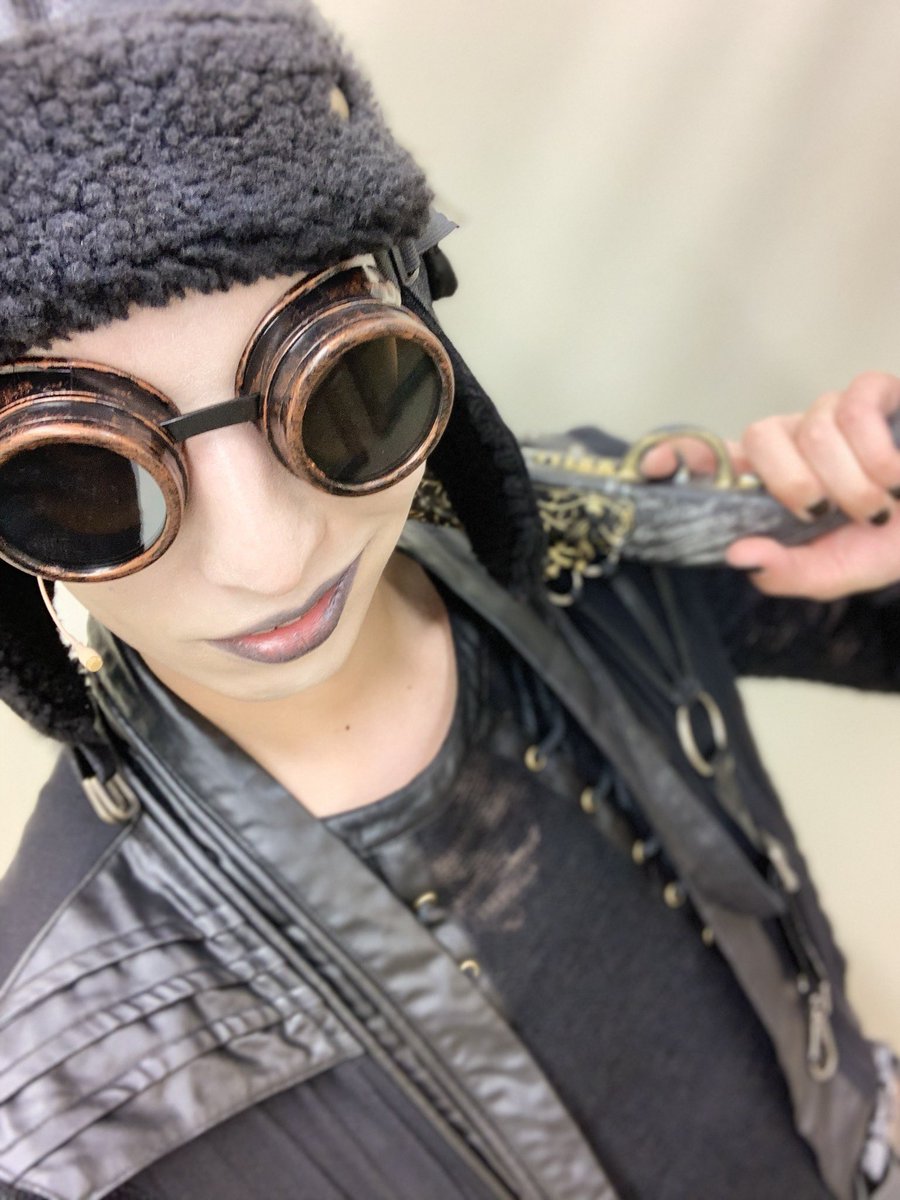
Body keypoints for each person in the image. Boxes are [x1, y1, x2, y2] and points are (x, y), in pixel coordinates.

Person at [0, 2, 898, 1198]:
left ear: (420, 323)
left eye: (339, 382)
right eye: (79, 480)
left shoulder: (603, 547)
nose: (269, 555)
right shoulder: (66, 1090)